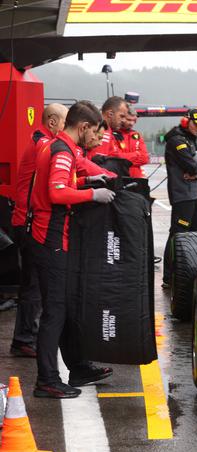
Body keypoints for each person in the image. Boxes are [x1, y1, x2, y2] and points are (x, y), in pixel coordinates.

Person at [30, 101, 116, 398]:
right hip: (49, 236)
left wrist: (86, 179)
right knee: (54, 310)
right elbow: (55, 192)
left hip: (45, 234)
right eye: (92, 131)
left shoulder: (53, 145)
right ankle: (47, 380)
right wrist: (92, 192)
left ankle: (71, 369)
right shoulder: (63, 151)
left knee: (60, 306)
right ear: (83, 127)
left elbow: (60, 182)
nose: (91, 136)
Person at [9, 104, 68, 358]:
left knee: (31, 285)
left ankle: (23, 337)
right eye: (66, 122)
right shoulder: (44, 145)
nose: (67, 128)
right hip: (28, 223)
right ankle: (24, 339)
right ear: (53, 122)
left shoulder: (41, 142)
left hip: (25, 220)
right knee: (34, 285)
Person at [162, 109, 197, 288]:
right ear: (185, 122)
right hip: (182, 195)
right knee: (178, 234)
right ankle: (168, 277)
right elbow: (192, 165)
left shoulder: (190, 140)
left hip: (193, 194)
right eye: (196, 124)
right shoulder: (177, 141)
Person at [118, 107, 149, 178]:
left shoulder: (136, 135)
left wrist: (125, 157)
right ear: (121, 117)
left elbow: (144, 158)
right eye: (129, 120)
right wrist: (137, 154)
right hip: (120, 178)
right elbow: (116, 158)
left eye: (134, 120)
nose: (131, 123)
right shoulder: (113, 135)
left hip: (136, 179)